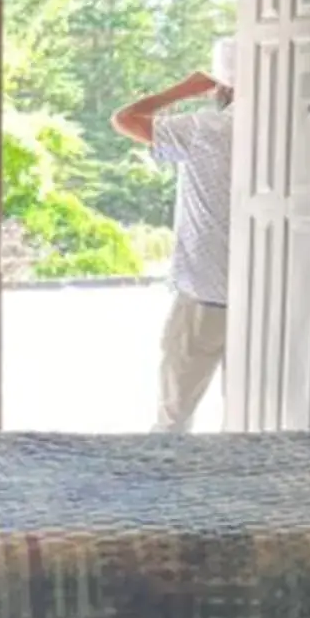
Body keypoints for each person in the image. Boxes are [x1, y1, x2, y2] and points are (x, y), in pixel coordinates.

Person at [113, 32, 236, 432]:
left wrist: (184, 88)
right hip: (265, 297)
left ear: (221, 86)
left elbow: (124, 119)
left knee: (174, 415)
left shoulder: (205, 128)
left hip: (204, 287)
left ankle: (166, 464)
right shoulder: (287, 131)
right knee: (253, 413)